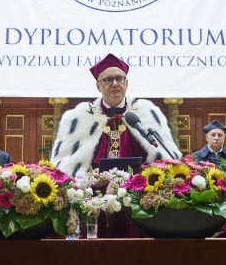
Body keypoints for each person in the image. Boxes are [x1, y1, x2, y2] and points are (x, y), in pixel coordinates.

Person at [51, 53, 180, 177]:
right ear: (98, 86)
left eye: (119, 78)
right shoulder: (78, 118)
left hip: (139, 192)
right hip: (92, 194)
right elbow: (63, 168)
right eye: (108, 80)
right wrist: (87, 177)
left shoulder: (147, 113)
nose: (115, 84)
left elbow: (166, 160)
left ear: (126, 83)